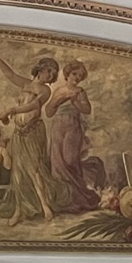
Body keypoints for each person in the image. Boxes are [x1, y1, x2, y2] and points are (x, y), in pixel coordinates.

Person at [0, 51, 72, 226]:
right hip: (19, 133)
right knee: (17, 173)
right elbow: (10, 74)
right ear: (40, 69)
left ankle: (44, 204)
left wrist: (11, 110)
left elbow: (34, 105)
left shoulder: (46, 90)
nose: (50, 75)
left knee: (33, 169)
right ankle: (19, 210)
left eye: (53, 74)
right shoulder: (25, 83)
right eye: (49, 71)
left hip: (33, 132)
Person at [44, 59, 101, 213]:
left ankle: (79, 198)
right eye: (74, 74)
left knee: (70, 160)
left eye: (80, 76)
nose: (76, 78)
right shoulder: (59, 91)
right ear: (67, 74)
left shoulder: (80, 91)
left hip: (72, 126)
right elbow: (49, 113)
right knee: (57, 162)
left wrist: (76, 102)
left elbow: (87, 110)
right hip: (57, 127)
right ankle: (63, 201)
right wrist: (56, 101)